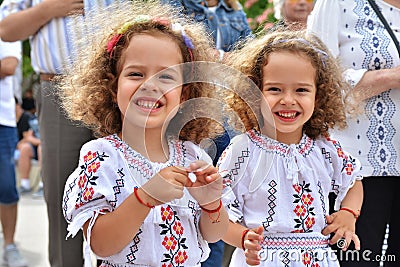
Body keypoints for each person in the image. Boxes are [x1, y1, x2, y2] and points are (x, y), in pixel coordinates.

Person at [59, 1, 229, 266]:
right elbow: (101, 244)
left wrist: (211, 205)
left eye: (166, 77)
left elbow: (214, 234)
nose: (150, 85)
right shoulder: (103, 157)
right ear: (112, 88)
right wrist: (145, 197)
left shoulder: (193, 157)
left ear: (184, 94)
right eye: (136, 74)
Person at [218, 30, 364, 266]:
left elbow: (353, 179)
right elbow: (216, 212)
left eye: (301, 90)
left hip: (317, 257)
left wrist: (349, 214)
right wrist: (243, 238)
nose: (288, 99)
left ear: (319, 96)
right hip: (262, 259)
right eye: (275, 89)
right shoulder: (242, 151)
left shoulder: (324, 147)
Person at [0, 1, 129, 266]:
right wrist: (47, 10)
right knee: (62, 197)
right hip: (58, 86)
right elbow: (6, 30)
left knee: (122, 192)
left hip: (114, 89)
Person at [307, 1, 400, 266]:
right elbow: (314, 79)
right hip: (358, 172)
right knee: (357, 260)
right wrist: (391, 77)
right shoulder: (338, 3)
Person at [0, 37, 28, 267]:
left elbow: (8, 66)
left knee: (7, 186)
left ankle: (9, 244)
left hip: (3, 122)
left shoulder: (5, 17)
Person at [15, 96, 42, 195]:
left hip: (44, 146)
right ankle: (25, 185)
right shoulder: (32, 119)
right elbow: (29, 136)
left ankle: (42, 185)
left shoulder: (26, 117)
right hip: (34, 145)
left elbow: (28, 137)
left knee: (42, 149)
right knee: (25, 148)